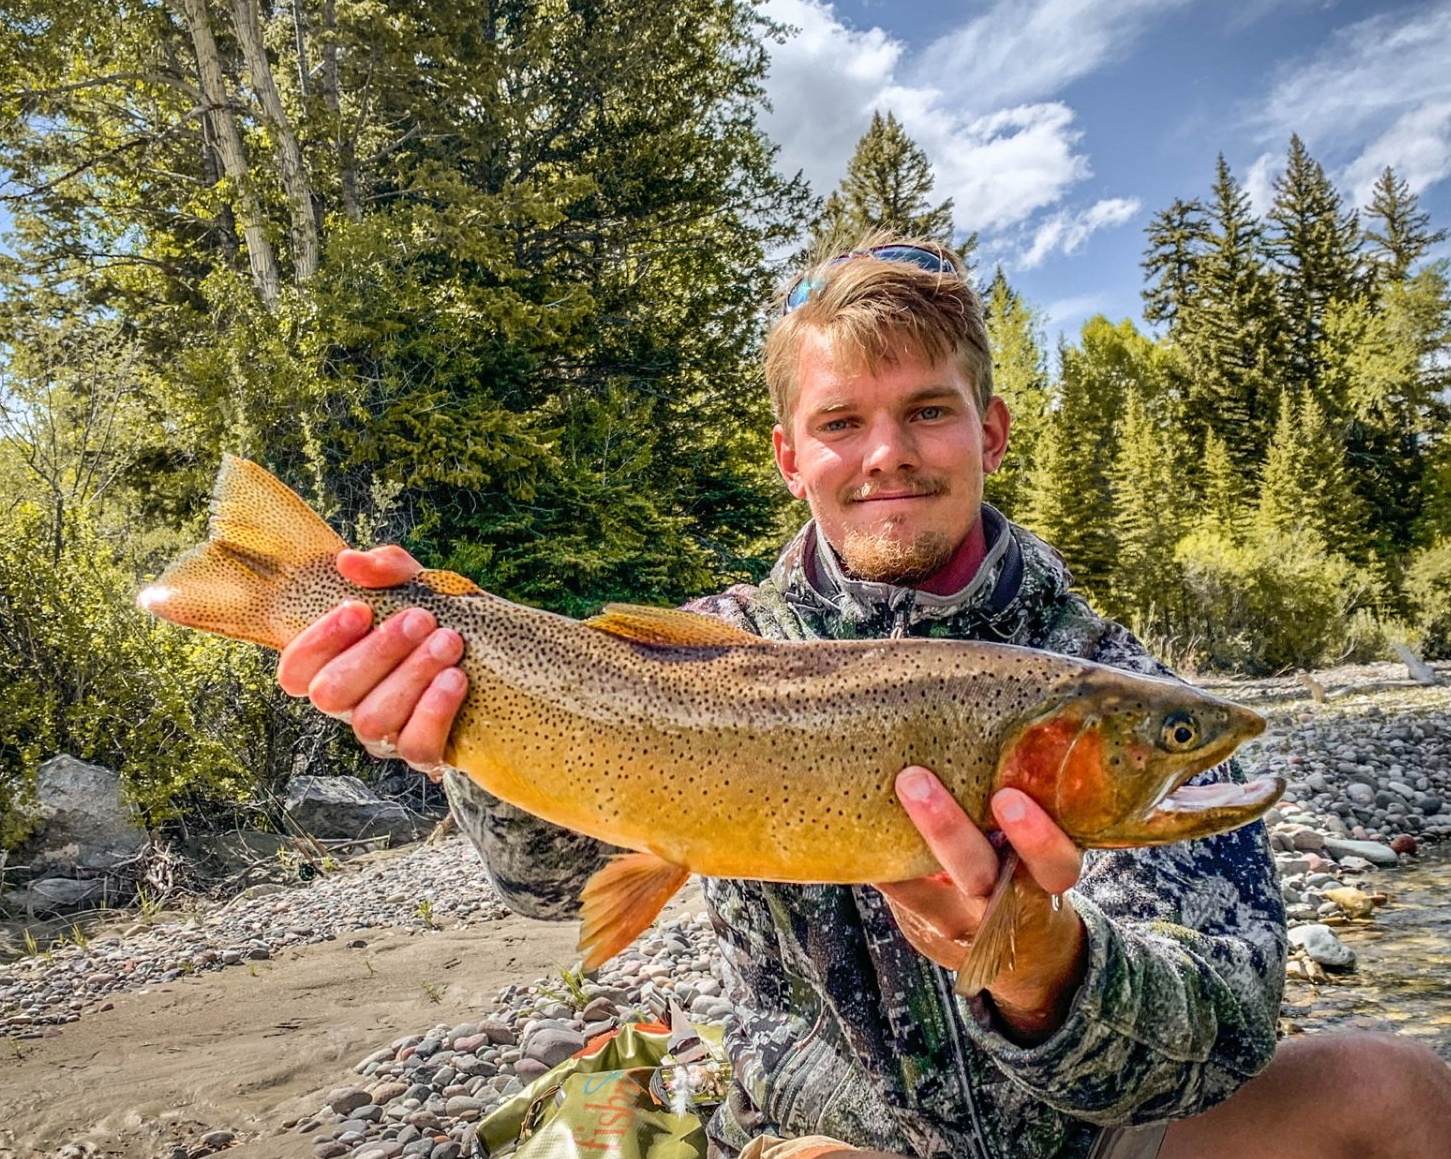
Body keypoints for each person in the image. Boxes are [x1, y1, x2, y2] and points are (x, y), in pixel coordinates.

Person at [277, 235, 1451, 1159]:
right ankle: (266, 576)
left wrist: (1049, 970)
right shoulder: (710, 654)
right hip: (831, 1135)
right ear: (791, 456)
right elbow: (551, 881)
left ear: (986, 430)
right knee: (605, 1122)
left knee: (1395, 1095)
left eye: (926, 411)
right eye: (841, 421)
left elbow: (1226, 1027)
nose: (884, 452)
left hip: (1097, 1133)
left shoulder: (1105, 681)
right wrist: (442, 718)